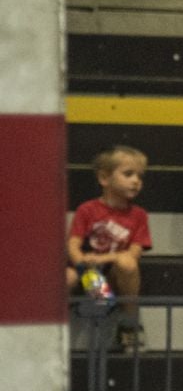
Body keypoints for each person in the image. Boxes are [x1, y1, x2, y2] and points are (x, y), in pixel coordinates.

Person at [67, 145, 152, 353]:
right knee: (66, 277)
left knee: (127, 263)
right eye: (128, 174)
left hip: (113, 273)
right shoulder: (87, 209)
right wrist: (82, 264)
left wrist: (102, 260)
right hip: (87, 271)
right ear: (104, 178)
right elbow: (73, 244)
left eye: (139, 176)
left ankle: (129, 324)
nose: (136, 181)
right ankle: (56, 327)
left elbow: (134, 253)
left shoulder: (139, 215)